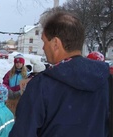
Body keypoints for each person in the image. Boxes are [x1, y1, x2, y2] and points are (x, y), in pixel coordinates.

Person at [9, 9, 110, 137]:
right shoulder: (105, 80)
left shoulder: (40, 86)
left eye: (44, 41)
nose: (43, 47)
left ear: (56, 43)